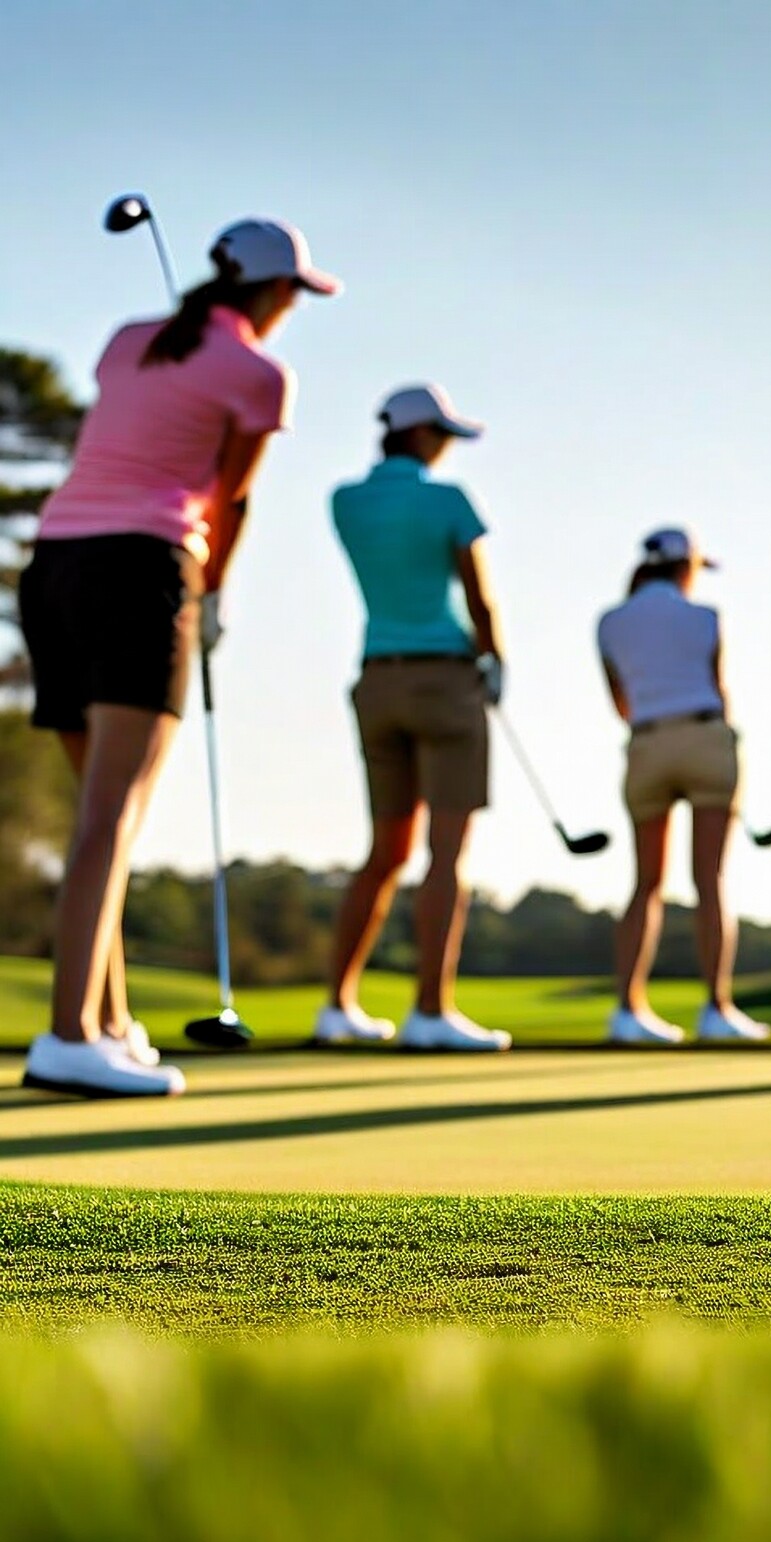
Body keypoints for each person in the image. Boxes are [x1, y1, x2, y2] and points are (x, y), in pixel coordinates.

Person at [19, 219, 338, 1098]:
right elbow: (230, 498)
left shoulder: (130, 339)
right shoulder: (260, 373)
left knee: (102, 819)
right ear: (276, 293)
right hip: (141, 570)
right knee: (112, 816)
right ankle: (67, 1037)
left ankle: (109, 1024)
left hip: (54, 569)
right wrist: (214, 593)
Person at [318, 384, 511, 1052]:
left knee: (385, 852)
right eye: (443, 435)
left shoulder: (345, 500)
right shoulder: (449, 500)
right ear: (422, 434)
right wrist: (495, 659)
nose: (447, 448)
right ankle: (431, 1009)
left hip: (376, 681)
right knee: (446, 853)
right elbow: (479, 596)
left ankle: (337, 1004)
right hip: (444, 680)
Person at [596, 527, 768, 1044]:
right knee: (709, 880)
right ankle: (716, 1008)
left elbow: (620, 702)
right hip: (704, 736)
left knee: (646, 882)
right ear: (684, 567)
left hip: (646, 743)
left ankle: (628, 1009)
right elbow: (718, 686)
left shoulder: (610, 622)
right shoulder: (706, 617)